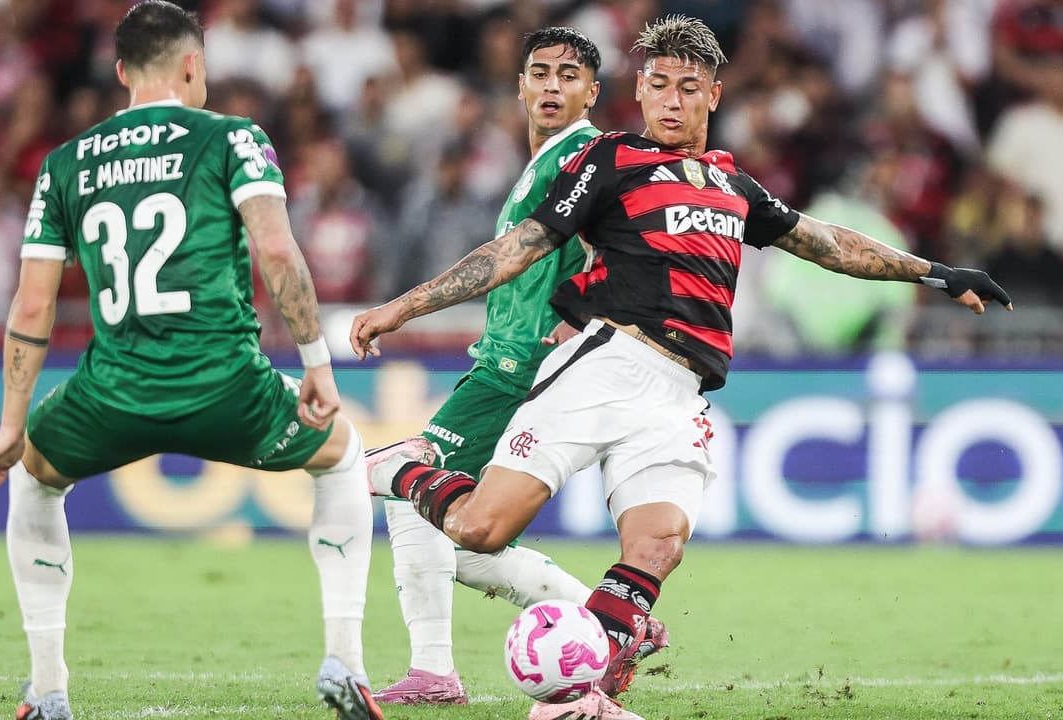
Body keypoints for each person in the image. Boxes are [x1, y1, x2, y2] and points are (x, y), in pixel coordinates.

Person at [352, 12, 1012, 712]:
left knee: (657, 546)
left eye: (688, 87)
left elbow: (827, 242)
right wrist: (405, 307)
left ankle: (581, 697)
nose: (672, 100)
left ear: (714, 96)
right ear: (639, 92)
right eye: (659, 85)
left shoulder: (733, 186)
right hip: (607, 365)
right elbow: (519, 248)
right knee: (481, 529)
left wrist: (937, 273)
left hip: (680, 394)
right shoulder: (608, 162)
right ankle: (397, 468)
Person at [0, 4, 382, 720]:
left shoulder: (64, 163)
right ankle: (344, 661)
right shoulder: (232, 137)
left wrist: (10, 424)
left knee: (34, 479)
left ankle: (48, 688)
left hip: (111, 395)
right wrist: (317, 363)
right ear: (193, 66)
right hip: (228, 385)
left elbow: (32, 309)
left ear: (123, 72)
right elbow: (278, 253)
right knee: (342, 460)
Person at [370, 28, 654, 717]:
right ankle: (612, 621)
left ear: (593, 90)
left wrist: (582, 313)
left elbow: (622, 244)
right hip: (505, 362)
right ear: (520, 86)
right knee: (464, 538)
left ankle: (433, 670)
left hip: (517, 368)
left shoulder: (584, 158)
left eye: (568, 75)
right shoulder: (545, 161)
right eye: (540, 73)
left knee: (405, 482)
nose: (552, 86)